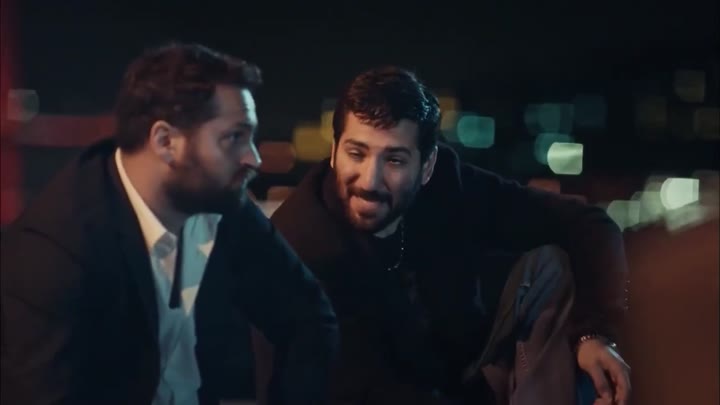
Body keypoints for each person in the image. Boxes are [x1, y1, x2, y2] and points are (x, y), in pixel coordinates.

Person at [256, 67, 631, 404]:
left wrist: (593, 334)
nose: (369, 181)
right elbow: (366, 388)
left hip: (450, 362)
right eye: (357, 153)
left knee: (549, 268)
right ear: (334, 152)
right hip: (359, 391)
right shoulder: (301, 245)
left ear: (427, 166)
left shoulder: (446, 183)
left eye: (394, 160)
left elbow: (588, 225)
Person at [0, 43, 338, 405]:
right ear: (165, 142)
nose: (253, 158)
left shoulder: (218, 201)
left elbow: (309, 319)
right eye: (234, 137)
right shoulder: (54, 252)